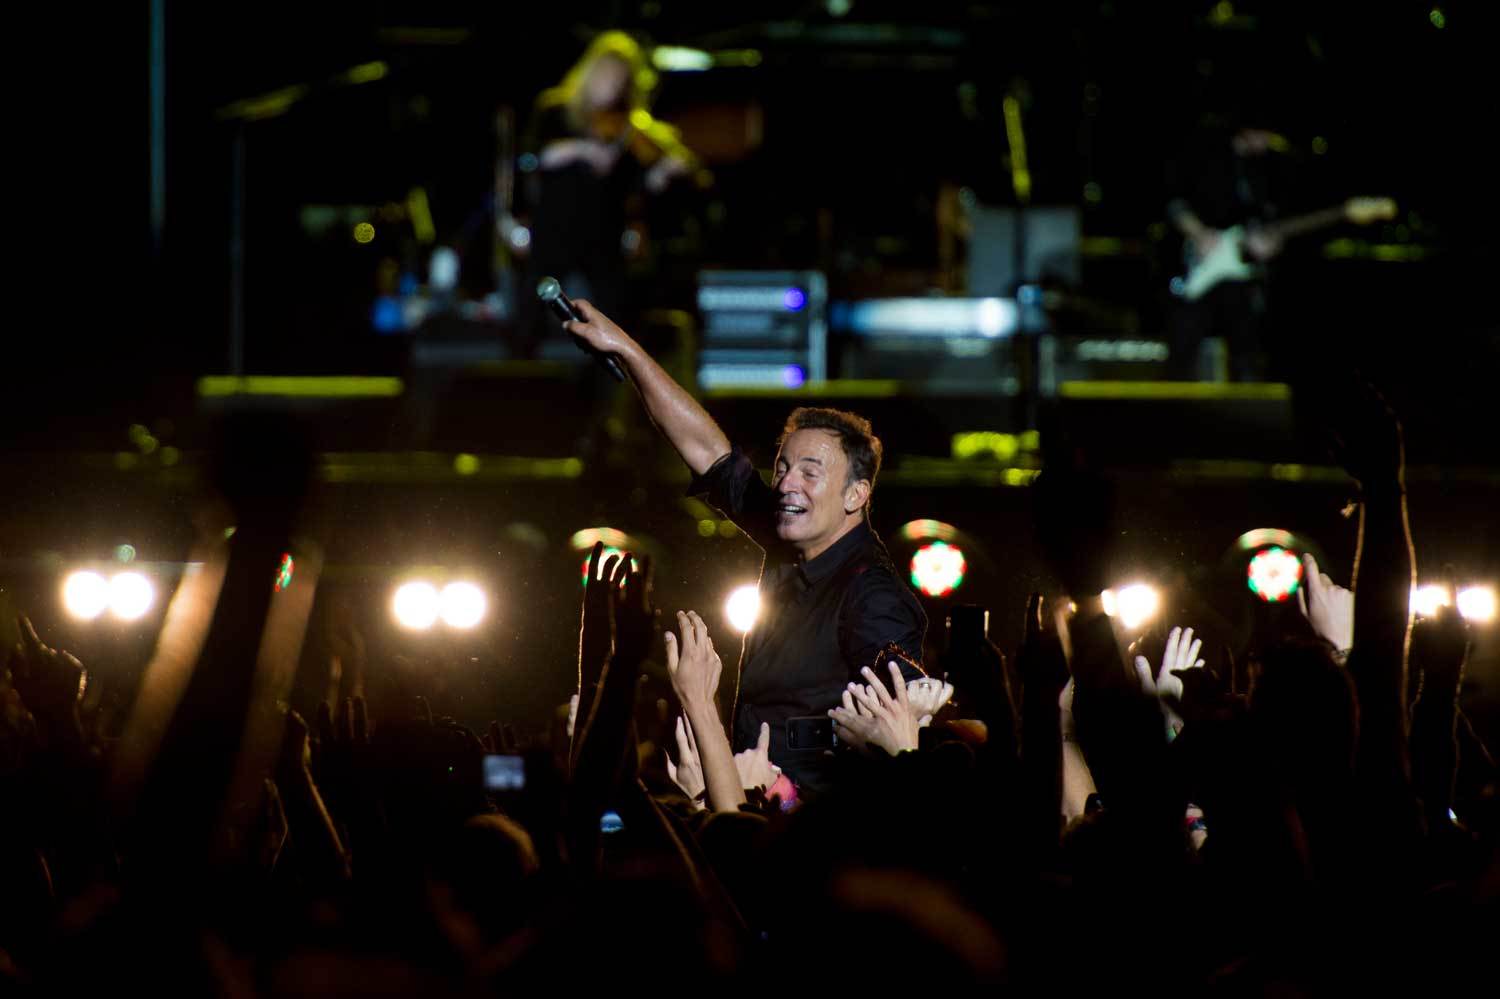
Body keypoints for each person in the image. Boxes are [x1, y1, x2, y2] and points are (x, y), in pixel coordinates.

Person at [562, 302, 927, 791]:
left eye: (810, 473)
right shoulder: (789, 535)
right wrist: (626, 350)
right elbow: (705, 451)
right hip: (750, 807)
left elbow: (903, 716)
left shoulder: (871, 594)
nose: (787, 483)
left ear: (855, 495)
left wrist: (796, 782)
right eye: (783, 467)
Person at [512, 31, 701, 361]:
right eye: (608, 75)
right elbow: (537, 157)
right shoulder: (556, 109)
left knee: (613, 304)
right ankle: (522, 367)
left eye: (620, 80)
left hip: (604, 229)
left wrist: (661, 174)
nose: (611, 86)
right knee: (534, 300)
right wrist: (584, 150)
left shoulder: (629, 125)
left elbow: (641, 184)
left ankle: (610, 377)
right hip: (556, 223)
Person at [1165, 120, 1295, 382]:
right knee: (1185, 343)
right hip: (1199, 266)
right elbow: (1175, 202)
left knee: (1246, 346)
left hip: (1241, 272)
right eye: (1263, 134)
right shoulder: (1205, 155)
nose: (1267, 142)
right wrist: (1199, 233)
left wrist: (1272, 242)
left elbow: (1268, 219)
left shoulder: (1264, 169)